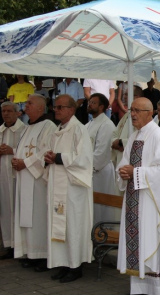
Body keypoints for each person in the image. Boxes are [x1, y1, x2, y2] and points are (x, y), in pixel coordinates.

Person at [116, 97, 160, 295]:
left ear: (149, 112)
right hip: (134, 199)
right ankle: (139, 288)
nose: (133, 114)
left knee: (153, 242)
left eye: (137, 111)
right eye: (131, 111)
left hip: (152, 201)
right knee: (137, 244)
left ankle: (159, 291)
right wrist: (123, 171)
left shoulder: (158, 135)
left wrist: (135, 172)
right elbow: (124, 162)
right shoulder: (134, 136)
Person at [44, 94, 93, 283]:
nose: (55, 110)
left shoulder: (79, 130)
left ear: (71, 110)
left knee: (73, 225)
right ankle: (64, 263)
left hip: (73, 189)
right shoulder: (59, 129)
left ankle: (75, 266)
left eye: (59, 107)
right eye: (55, 107)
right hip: (58, 184)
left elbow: (84, 159)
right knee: (60, 225)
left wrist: (57, 158)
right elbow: (49, 152)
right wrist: (48, 157)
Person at [12, 95, 56, 270]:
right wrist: (16, 160)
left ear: (40, 108)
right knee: (27, 217)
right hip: (25, 177)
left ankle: (43, 255)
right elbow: (21, 148)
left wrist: (25, 163)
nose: (26, 106)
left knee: (38, 216)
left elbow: (47, 151)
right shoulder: (26, 127)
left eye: (29, 103)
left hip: (38, 181)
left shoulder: (48, 126)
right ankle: (31, 253)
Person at [0, 102, 26, 259]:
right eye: (3, 111)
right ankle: (9, 246)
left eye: (9, 111)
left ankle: (21, 247)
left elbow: (32, 151)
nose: (6, 114)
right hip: (3, 177)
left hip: (18, 177)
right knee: (6, 211)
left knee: (18, 210)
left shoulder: (24, 130)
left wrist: (12, 150)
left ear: (17, 113)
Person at [86, 93, 118, 225]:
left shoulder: (107, 124)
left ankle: (103, 235)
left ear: (101, 107)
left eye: (93, 102)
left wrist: (84, 165)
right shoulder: (88, 124)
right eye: (89, 102)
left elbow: (101, 152)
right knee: (91, 207)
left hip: (100, 171)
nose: (89, 104)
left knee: (101, 207)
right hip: (88, 170)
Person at [111, 87, 143, 170]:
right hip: (120, 155)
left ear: (137, 97)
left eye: (126, 95)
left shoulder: (142, 115)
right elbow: (115, 132)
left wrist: (122, 143)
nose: (124, 97)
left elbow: (142, 137)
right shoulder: (127, 114)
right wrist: (114, 142)